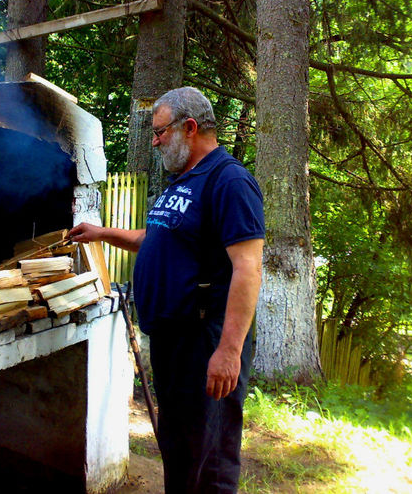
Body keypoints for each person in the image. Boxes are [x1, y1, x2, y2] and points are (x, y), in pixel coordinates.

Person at [68, 87, 265, 493]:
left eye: (159, 132)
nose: (154, 141)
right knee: (181, 451)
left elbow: (248, 267)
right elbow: (156, 236)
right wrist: (101, 232)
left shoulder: (229, 181)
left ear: (189, 128)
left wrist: (228, 352)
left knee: (208, 461)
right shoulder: (183, 182)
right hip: (174, 343)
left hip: (204, 342)